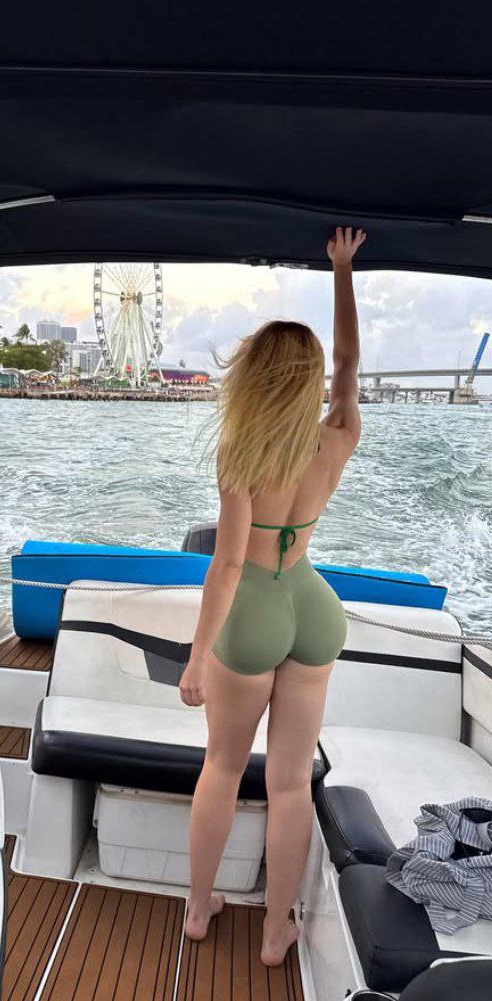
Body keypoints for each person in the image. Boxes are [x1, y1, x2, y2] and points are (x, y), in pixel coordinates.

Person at [180, 227, 366, 965]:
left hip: (253, 611)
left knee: (224, 768)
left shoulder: (241, 453)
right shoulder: (338, 434)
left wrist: (198, 656)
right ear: (311, 381)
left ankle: (200, 908)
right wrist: (342, 271)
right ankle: (275, 929)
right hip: (313, 606)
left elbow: (227, 565)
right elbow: (349, 361)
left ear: (254, 379)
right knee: (290, 784)